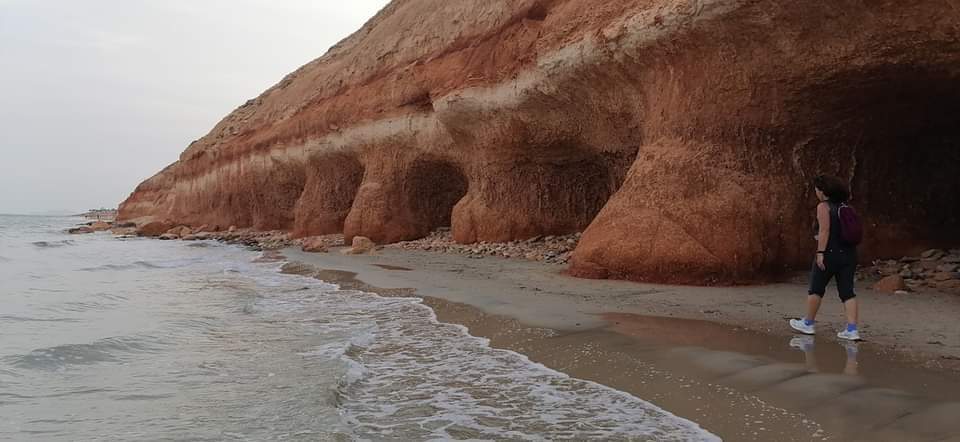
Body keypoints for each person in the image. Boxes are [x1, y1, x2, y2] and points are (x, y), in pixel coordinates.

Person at [790, 175, 861, 341]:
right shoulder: (846, 206)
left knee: (816, 288)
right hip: (849, 255)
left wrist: (820, 253)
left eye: (816, 189)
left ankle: (808, 323)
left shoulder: (823, 207)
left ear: (823, 191)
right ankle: (852, 329)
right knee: (847, 291)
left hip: (829, 254)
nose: (815, 192)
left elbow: (824, 231)